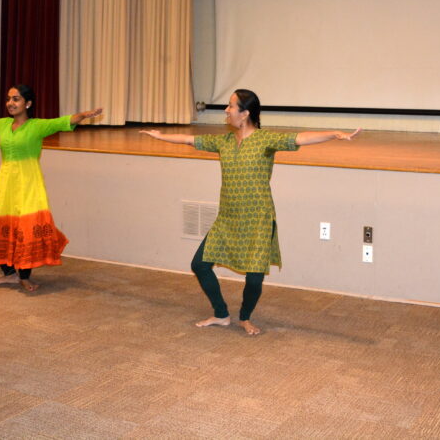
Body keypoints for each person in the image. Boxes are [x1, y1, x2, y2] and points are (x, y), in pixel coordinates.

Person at [141, 88, 360, 335]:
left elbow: (300, 138)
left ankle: (245, 317)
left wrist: (334, 134)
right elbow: (189, 139)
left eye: (231, 106)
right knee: (199, 264)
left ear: (245, 113)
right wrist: (160, 136)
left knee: (254, 278)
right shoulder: (223, 141)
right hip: (228, 218)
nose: (226, 110)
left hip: (258, 219)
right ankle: (221, 313)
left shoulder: (265, 140)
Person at [0, 85, 102, 292]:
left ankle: (25, 277)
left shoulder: (37, 126)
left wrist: (85, 115)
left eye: (16, 99)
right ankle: (9, 274)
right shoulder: (2, 125)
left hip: (29, 184)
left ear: (28, 103)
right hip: (5, 184)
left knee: (27, 228)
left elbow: (63, 121)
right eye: (9, 99)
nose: (10, 103)